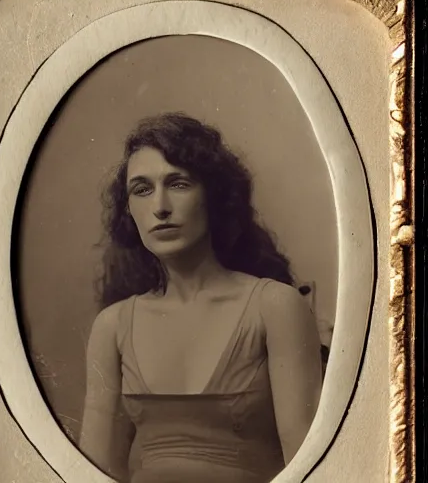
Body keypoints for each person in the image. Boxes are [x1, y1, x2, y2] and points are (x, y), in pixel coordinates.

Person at [79, 113, 322, 483]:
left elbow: (312, 470)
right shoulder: (112, 326)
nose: (160, 206)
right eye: (141, 189)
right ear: (129, 209)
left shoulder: (274, 308)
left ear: (214, 196)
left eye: (178, 183)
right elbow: (94, 473)